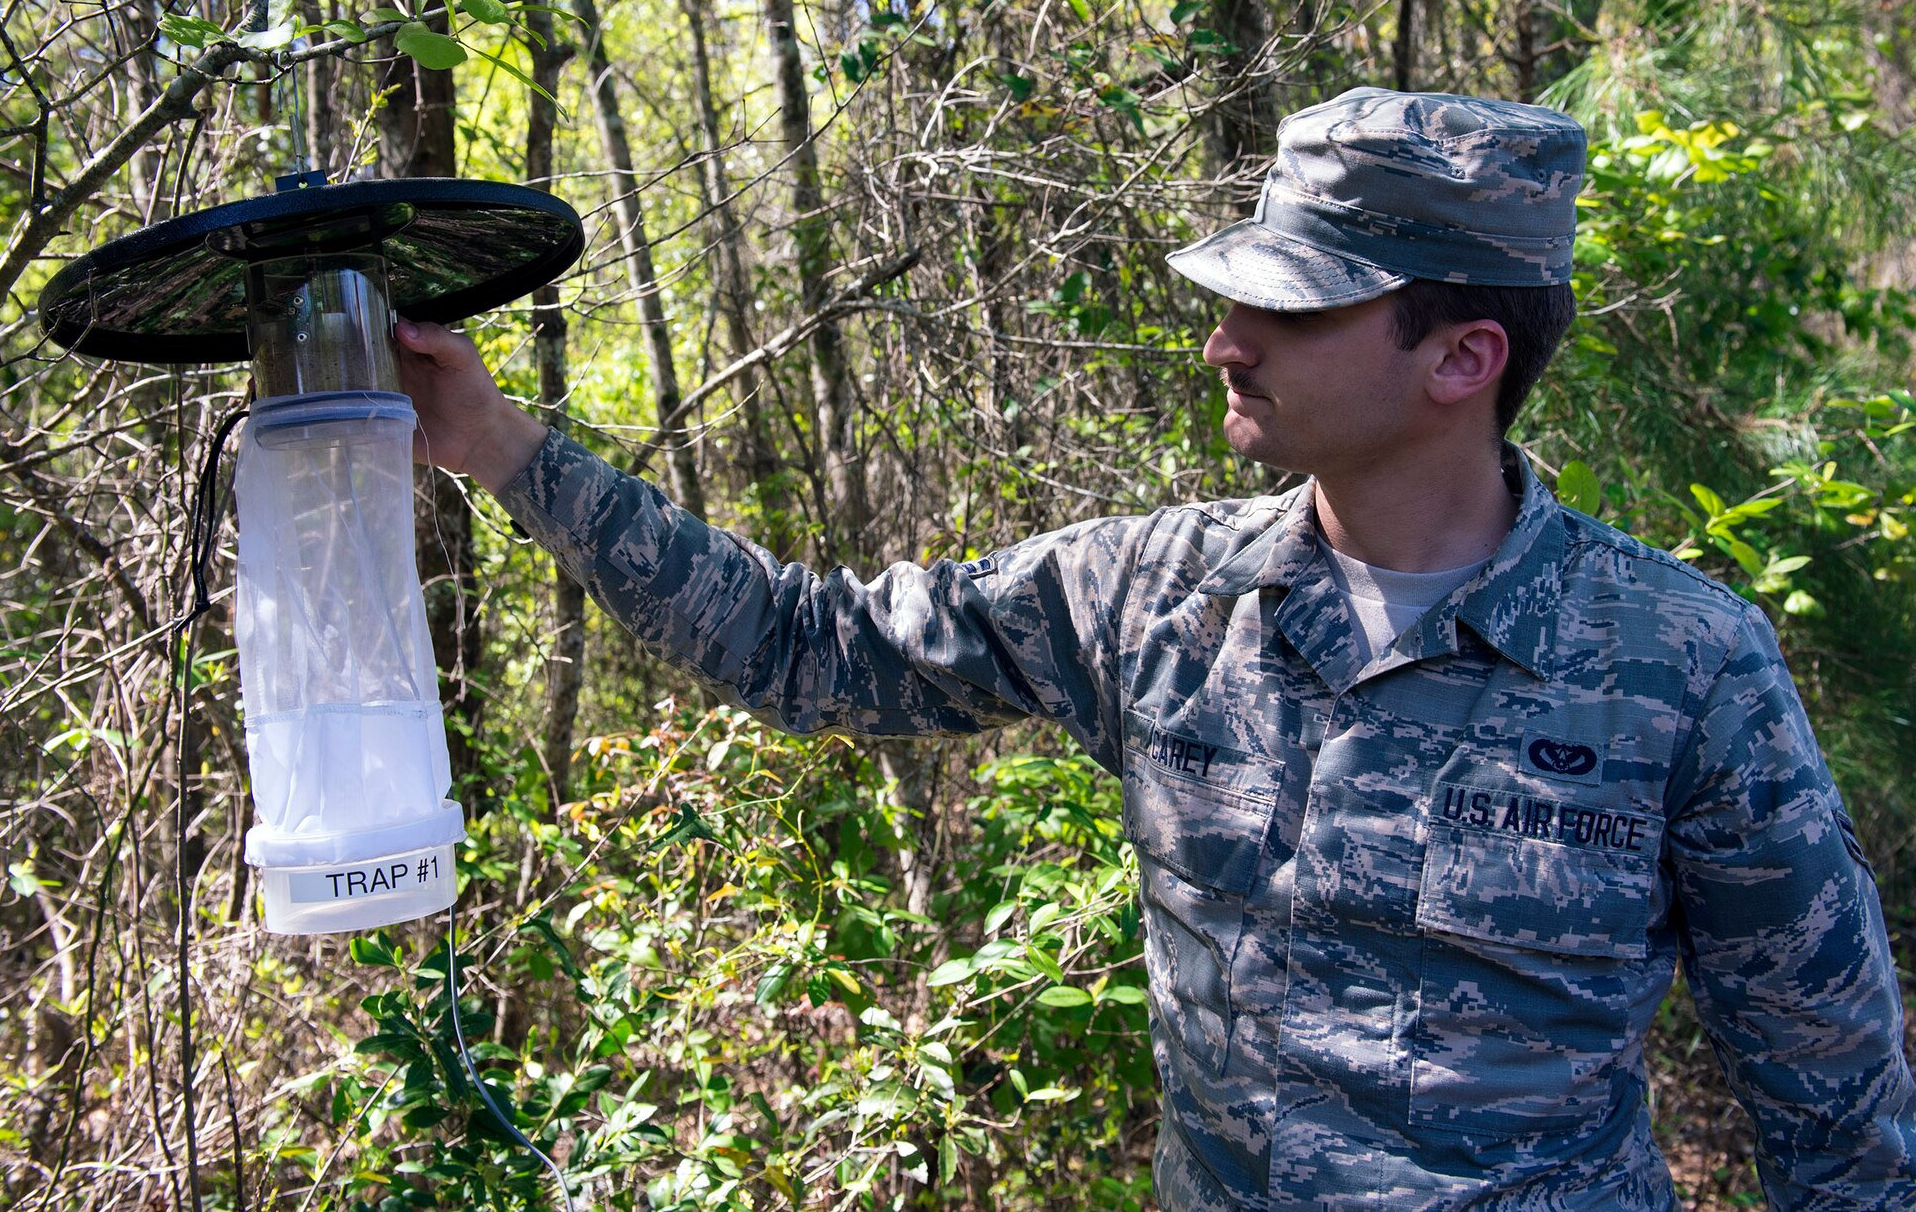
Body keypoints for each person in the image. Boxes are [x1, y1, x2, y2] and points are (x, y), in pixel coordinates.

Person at [394, 88, 1916, 1209]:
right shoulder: (1151, 596)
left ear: (1464, 357)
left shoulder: (1683, 667)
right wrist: (500, 444)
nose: (1224, 338)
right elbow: (809, 645)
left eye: (1290, 305)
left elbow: (1835, 1100)